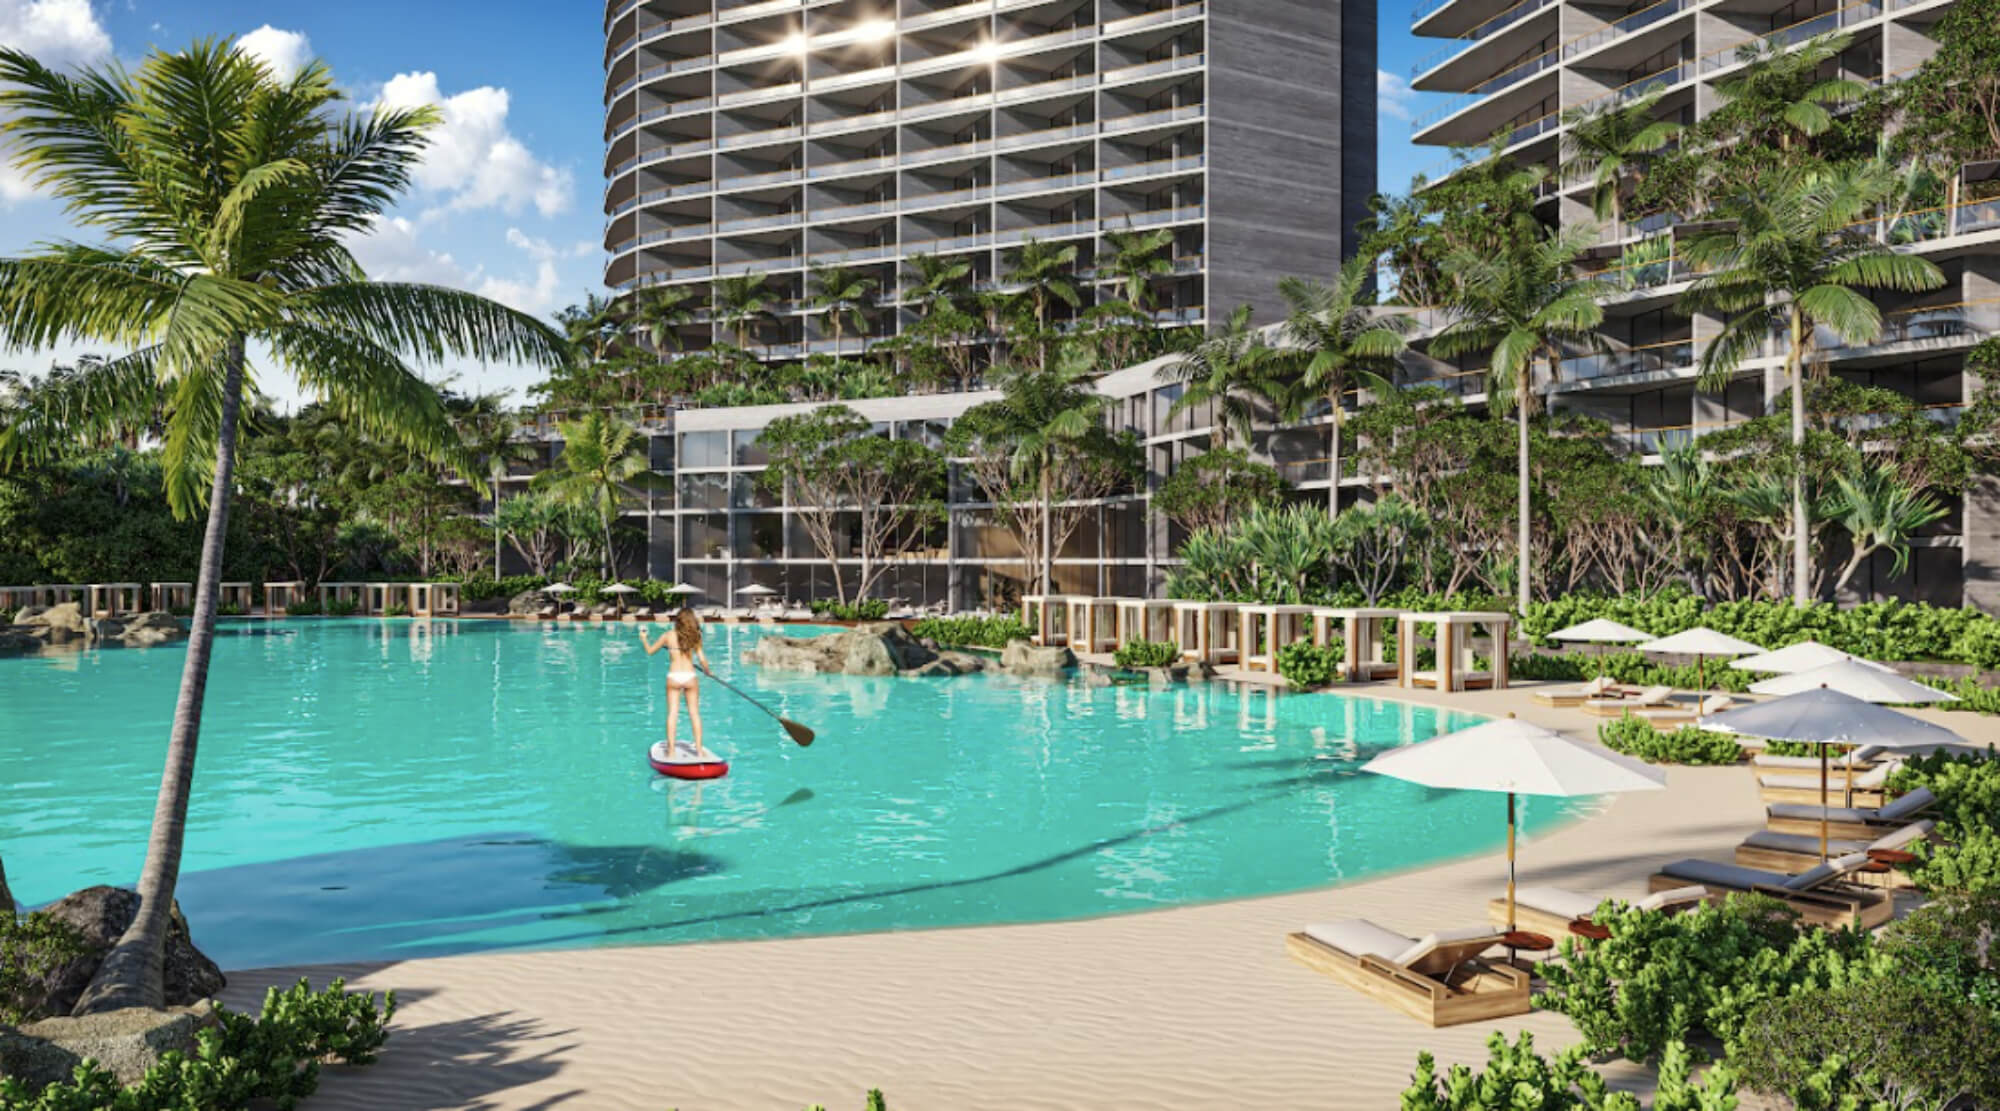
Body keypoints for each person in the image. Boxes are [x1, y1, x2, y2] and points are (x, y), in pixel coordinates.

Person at [640, 609, 712, 760]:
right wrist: (707, 671)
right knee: (694, 714)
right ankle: (699, 750)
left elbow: (650, 651)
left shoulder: (668, 635)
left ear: (677, 621)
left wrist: (644, 638)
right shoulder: (695, 636)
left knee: (673, 713)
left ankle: (671, 751)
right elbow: (702, 659)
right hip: (690, 676)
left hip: (674, 677)